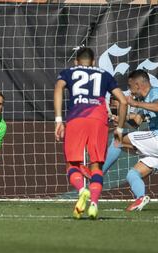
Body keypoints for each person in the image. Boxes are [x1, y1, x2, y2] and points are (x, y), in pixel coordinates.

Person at [54, 46, 127, 219]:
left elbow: (58, 88)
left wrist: (58, 120)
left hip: (76, 119)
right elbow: (123, 102)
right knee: (96, 166)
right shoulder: (104, 74)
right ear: (93, 62)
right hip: (98, 120)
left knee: (72, 164)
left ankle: (82, 191)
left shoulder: (68, 72)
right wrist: (120, 128)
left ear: (76, 61)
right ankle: (94, 203)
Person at [102, 69, 158, 211]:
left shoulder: (156, 92)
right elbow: (136, 122)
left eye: (130, 87)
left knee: (118, 139)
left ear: (138, 85)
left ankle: (99, 174)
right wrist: (119, 120)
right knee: (133, 174)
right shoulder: (145, 101)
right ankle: (141, 198)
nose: (130, 92)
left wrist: (135, 104)